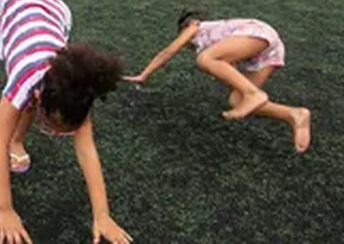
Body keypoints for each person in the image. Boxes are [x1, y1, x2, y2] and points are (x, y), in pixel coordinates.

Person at [0, 0, 131, 244]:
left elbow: (87, 150)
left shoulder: (75, 90)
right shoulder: (23, 80)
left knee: (30, 103)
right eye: (53, 125)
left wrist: (102, 215)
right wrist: (4, 209)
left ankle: (23, 138)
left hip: (53, 10)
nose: (56, 133)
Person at [124, 9, 311, 154]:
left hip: (258, 33)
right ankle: (294, 114)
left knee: (205, 59)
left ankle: (254, 94)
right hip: (268, 51)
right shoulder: (220, 47)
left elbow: (168, 51)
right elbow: (233, 72)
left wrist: (144, 74)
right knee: (237, 101)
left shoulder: (195, 27)